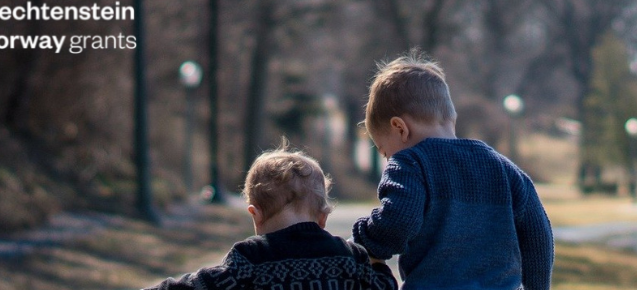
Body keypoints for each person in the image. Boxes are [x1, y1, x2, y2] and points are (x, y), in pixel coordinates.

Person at [351, 49, 554, 290]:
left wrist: (361, 238)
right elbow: (538, 234)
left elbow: (397, 224)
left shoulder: (411, 164)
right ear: (451, 118)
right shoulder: (503, 168)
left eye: (385, 151)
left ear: (400, 128)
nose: (388, 158)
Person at [145, 144, 397, 290]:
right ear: (323, 218)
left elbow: (198, 286)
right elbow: (384, 287)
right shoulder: (348, 257)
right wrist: (378, 262)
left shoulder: (250, 258)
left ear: (256, 215)